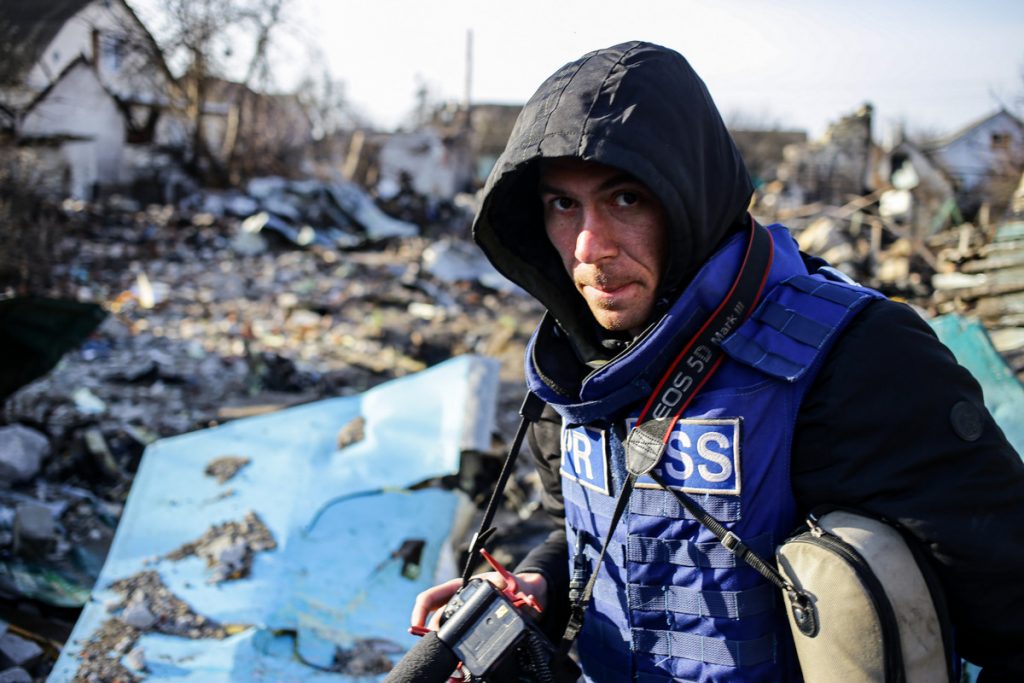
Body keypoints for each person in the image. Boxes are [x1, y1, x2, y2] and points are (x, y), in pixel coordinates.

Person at [410, 41, 1024, 681]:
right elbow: (581, 523)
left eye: (626, 199)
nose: (590, 247)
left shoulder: (858, 358)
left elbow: (1011, 607)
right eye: (564, 205)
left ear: (692, 198)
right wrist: (534, 579)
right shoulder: (574, 367)